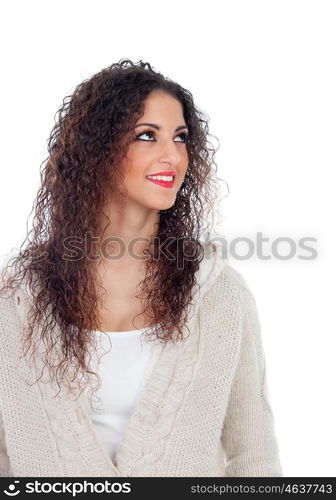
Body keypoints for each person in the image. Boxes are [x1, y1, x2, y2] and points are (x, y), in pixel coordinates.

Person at [0, 59, 283, 477]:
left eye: (181, 137)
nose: (173, 155)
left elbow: (254, 457)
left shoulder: (221, 294)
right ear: (96, 149)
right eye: (147, 136)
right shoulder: (18, 298)